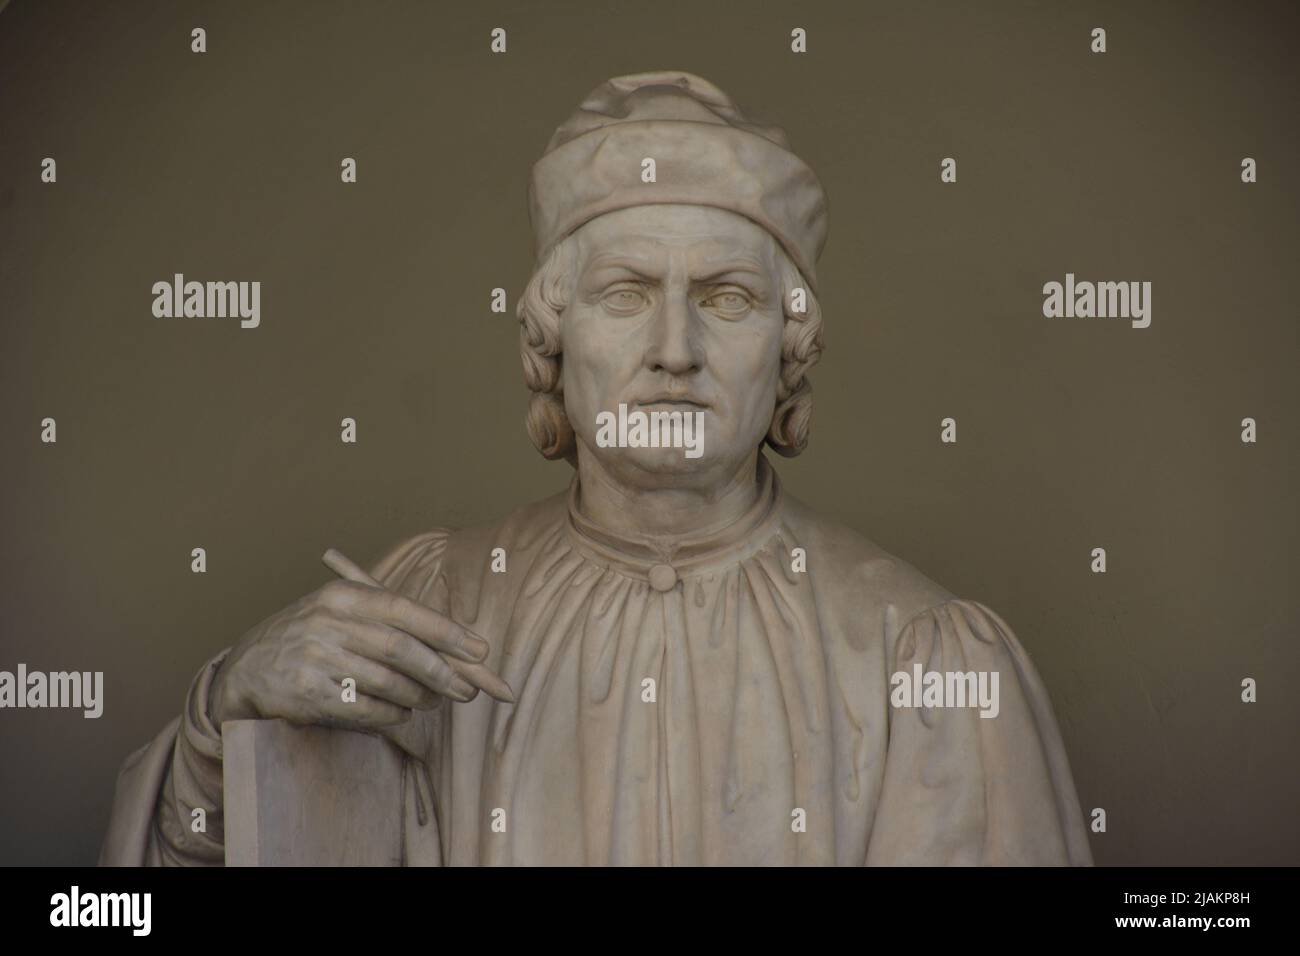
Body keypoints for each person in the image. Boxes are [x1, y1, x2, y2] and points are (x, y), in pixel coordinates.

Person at [101, 70, 1092, 866]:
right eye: (624, 294)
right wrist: (224, 711)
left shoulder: (924, 659)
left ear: (788, 350)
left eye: (728, 297)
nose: (674, 347)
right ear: (553, 343)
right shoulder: (425, 607)